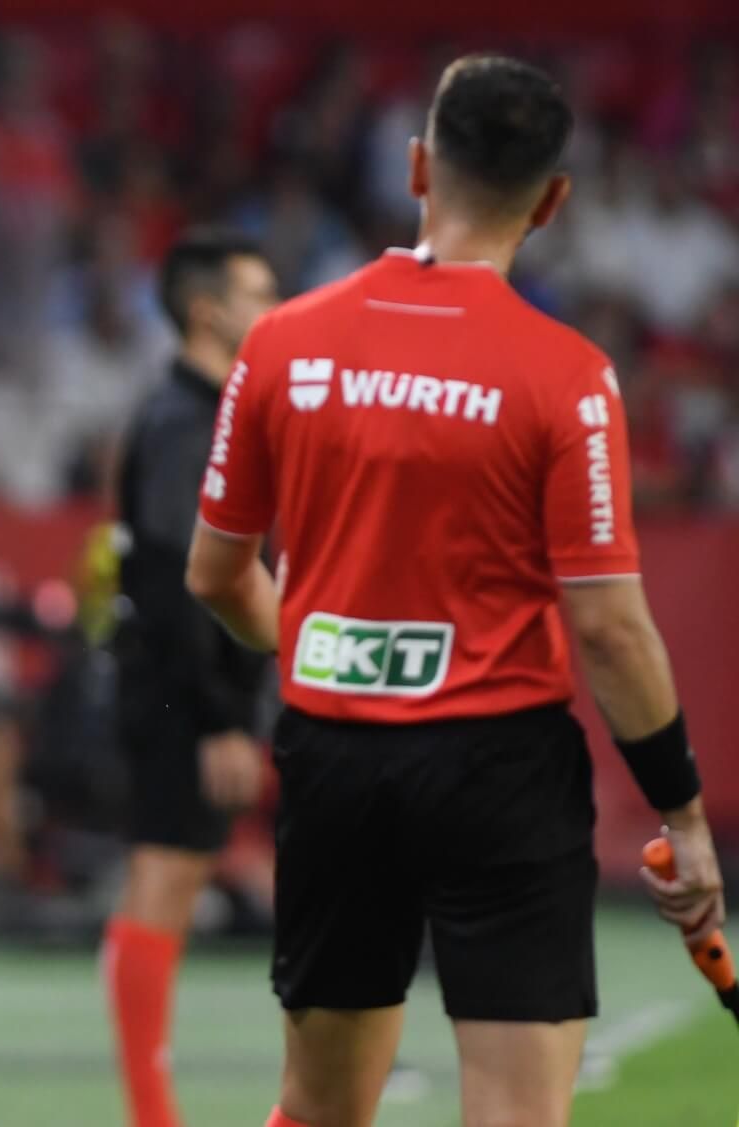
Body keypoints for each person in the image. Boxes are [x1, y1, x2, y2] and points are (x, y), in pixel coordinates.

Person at [186, 55, 725, 1127]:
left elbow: (213, 573)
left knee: (319, 1105)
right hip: (499, 766)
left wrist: (317, 650)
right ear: (554, 199)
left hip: (332, 755)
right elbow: (611, 632)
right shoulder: (564, 373)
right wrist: (683, 813)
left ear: (417, 167)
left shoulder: (281, 342)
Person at [101, 229, 277, 1127]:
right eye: (260, 293)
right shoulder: (186, 421)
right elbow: (177, 580)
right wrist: (219, 715)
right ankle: (152, 1112)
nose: (275, 310)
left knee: (173, 874)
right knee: (166, 878)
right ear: (209, 310)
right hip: (182, 688)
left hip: (191, 684)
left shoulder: (205, 412)